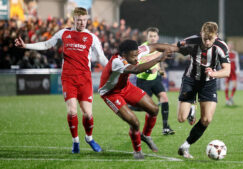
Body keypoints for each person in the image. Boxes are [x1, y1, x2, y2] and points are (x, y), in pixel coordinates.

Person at [14, 7, 108, 153]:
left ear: (87, 20)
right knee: (72, 111)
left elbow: (101, 58)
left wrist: (114, 67)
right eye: (79, 20)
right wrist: (26, 45)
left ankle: (89, 138)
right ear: (73, 20)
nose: (82, 23)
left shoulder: (92, 37)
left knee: (88, 114)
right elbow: (46, 44)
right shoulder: (64, 33)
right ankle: (75, 141)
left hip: (85, 78)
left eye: (85, 20)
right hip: (68, 77)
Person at [98, 39, 177, 159]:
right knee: (134, 122)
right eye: (134, 56)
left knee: (154, 109)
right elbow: (136, 69)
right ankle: (137, 151)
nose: (136, 58)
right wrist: (158, 59)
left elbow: (154, 46)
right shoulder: (117, 62)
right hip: (111, 93)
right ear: (124, 54)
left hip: (125, 87)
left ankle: (146, 135)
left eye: (137, 55)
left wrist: (174, 48)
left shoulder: (134, 52)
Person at [175, 22, 231, 158]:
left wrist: (213, 74)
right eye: (204, 38)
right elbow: (176, 46)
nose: (206, 42)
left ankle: (185, 146)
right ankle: (191, 108)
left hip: (208, 83)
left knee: (206, 119)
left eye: (209, 39)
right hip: (190, 80)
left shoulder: (221, 47)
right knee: (181, 118)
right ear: (201, 33)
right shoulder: (192, 41)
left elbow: (227, 71)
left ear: (216, 36)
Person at [136, 27, 174, 135]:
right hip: (143, 80)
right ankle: (127, 106)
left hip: (155, 79)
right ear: (147, 37)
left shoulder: (159, 47)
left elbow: (159, 60)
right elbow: (140, 62)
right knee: (146, 108)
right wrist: (149, 67)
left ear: (157, 37)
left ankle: (165, 127)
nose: (152, 38)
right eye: (150, 36)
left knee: (164, 98)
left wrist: (161, 70)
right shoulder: (143, 48)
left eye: (154, 36)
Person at [224, 41, 240, 106]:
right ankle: (227, 99)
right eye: (229, 45)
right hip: (227, 71)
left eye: (231, 45)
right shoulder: (225, 53)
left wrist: (238, 70)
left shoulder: (235, 53)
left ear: (232, 46)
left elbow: (237, 62)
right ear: (227, 46)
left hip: (233, 71)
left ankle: (231, 97)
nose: (230, 47)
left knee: (235, 86)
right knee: (227, 86)